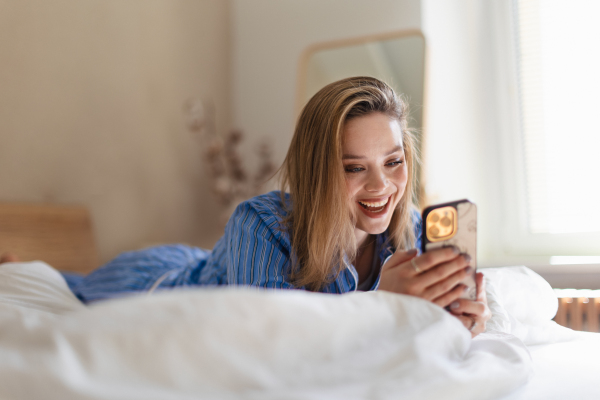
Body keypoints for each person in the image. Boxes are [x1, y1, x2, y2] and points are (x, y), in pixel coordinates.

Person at [4, 76, 490, 337]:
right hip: (162, 281)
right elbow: (268, 338)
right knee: (75, 286)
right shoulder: (261, 222)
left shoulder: (411, 229)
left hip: (210, 263)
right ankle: (20, 266)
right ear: (318, 170)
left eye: (393, 160)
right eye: (353, 167)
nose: (382, 186)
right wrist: (380, 301)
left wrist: (461, 312)